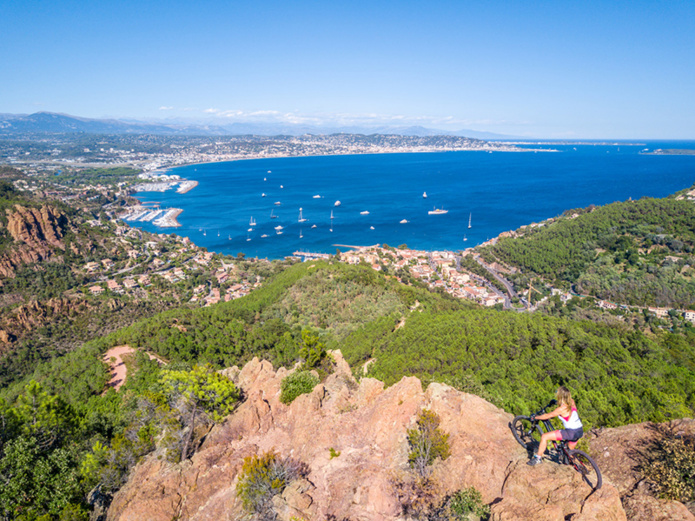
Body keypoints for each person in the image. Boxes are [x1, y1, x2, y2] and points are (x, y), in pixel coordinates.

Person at [527, 386, 583, 466]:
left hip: (570, 432)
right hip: (579, 431)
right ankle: (574, 464)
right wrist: (556, 402)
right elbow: (565, 402)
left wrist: (535, 417)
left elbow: (548, 415)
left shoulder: (561, 409)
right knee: (569, 452)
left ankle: (538, 458)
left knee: (544, 437)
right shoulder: (572, 402)